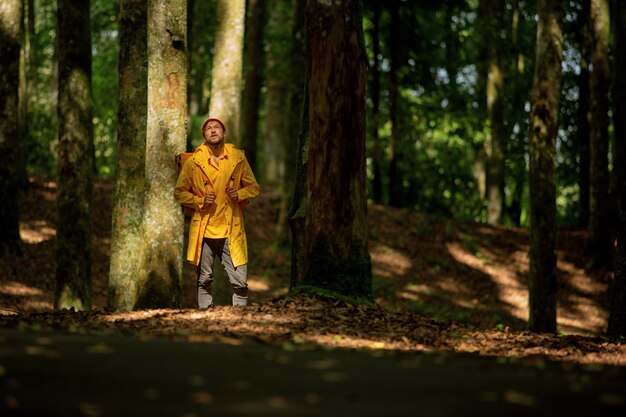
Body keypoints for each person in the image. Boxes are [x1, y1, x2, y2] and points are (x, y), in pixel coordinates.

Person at [175, 117, 260, 308]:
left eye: (217, 127)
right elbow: (179, 193)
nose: (213, 130)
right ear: (204, 135)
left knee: (240, 282)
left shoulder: (237, 158)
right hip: (204, 230)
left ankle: (239, 318)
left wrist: (238, 194)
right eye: (208, 128)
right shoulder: (194, 162)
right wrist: (199, 200)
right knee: (204, 280)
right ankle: (206, 318)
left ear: (224, 133)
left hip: (231, 229)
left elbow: (254, 187)